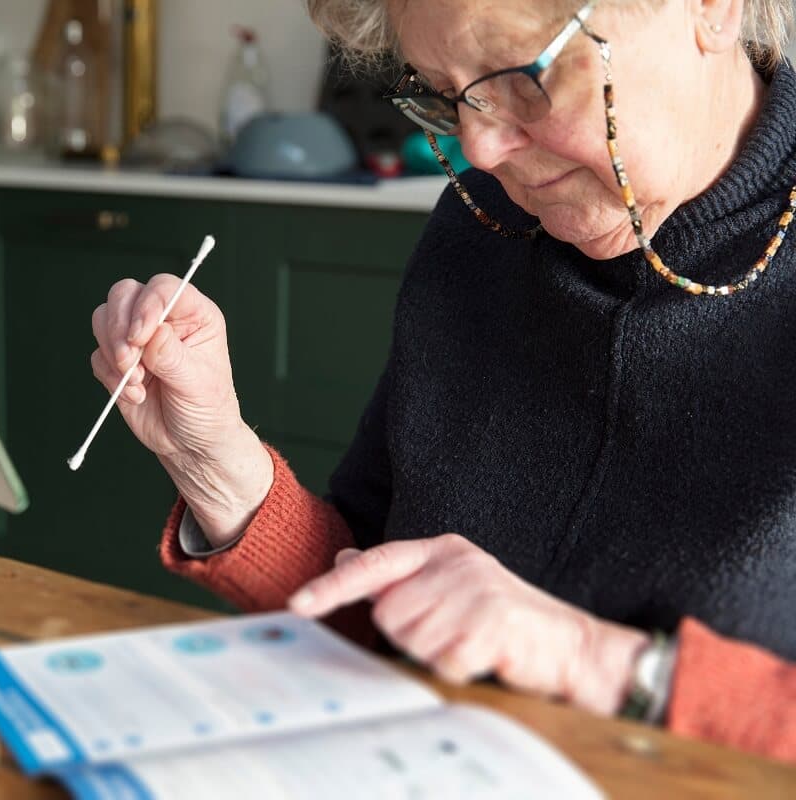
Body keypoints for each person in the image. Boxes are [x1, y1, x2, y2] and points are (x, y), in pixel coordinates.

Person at [88, 0, 796, 761]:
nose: (481, 149)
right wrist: (216, 461)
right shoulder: (483, 226)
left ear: (713, 9)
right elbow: (371, 598)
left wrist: (593, 661)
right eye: (446, 94)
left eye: (528, 78)